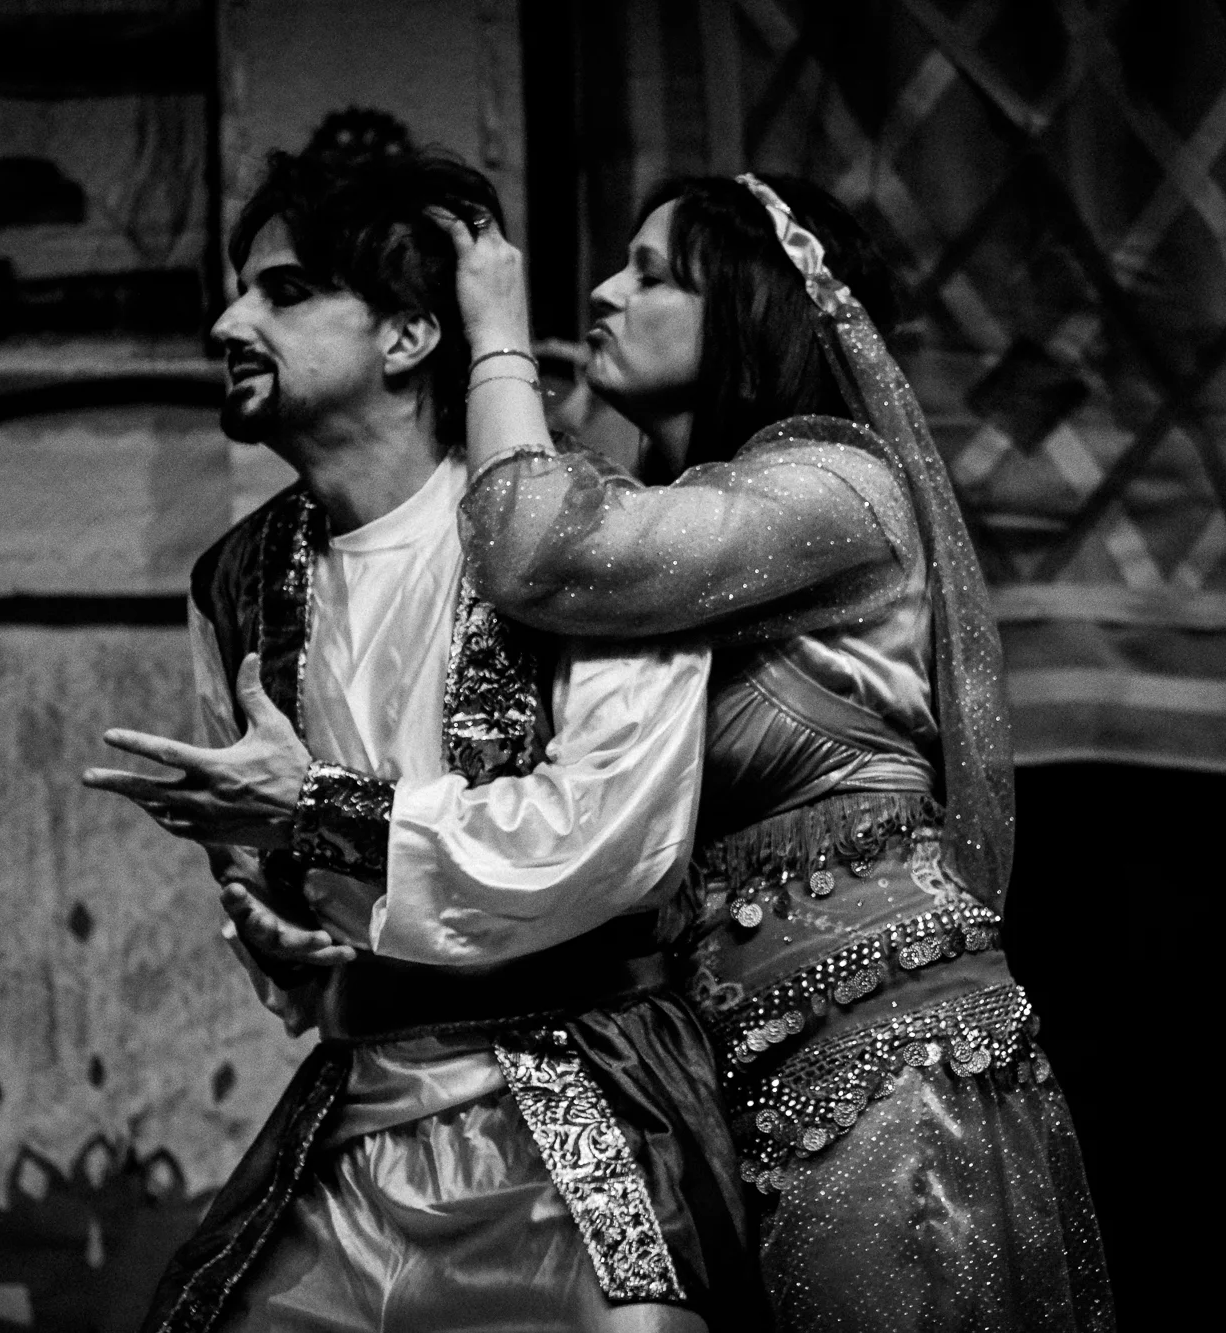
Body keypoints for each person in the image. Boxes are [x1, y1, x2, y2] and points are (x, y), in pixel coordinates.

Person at [81, 147, 764, 1333]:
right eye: (239, 293)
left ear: (406, 336)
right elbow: (278, 874)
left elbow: (613, 836)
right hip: (360, 1112)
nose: (228, 324)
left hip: (570, 1101)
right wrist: (273, 924)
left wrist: (322, 811)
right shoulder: (235, 580)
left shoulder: (583, 529)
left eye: (285, 292)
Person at [436, 174, 1117, 1331]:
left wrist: (495, 341)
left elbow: (536, 548)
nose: (602, 292)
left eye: (651, 275)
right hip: (729, 1067)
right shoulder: (705, 526)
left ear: (751, 310)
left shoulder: (835, 490)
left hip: (883, 1057)